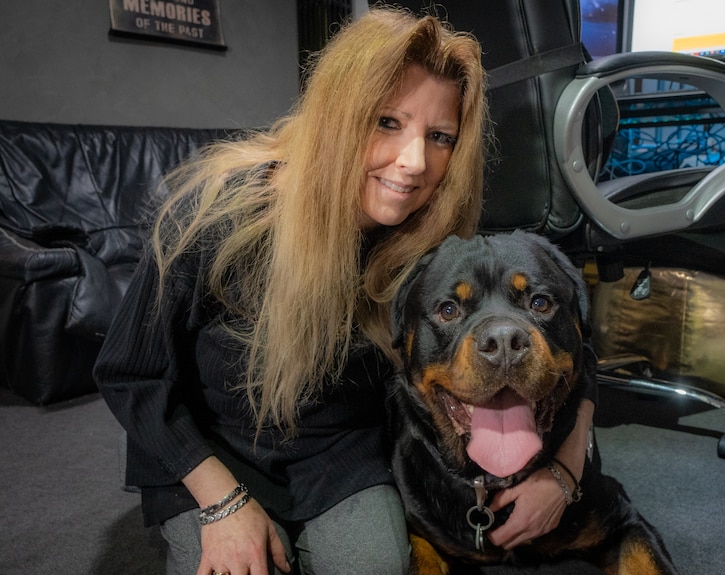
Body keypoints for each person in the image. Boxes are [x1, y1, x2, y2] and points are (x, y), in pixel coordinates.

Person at [94, 6, 595, 575]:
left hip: (342, 455)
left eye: (439, 136)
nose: (412, 163)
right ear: (337, 115)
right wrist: (222, 503)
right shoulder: (215, 215)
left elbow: (570, 336)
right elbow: (130, 371)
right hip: (215, 452)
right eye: (387, 122)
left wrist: (566, 468)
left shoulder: (433, 241)